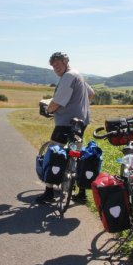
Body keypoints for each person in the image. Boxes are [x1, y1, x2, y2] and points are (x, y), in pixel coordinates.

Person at [36, 52, 95, 204]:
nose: (56, 67)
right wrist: (78, 105)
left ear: (65, 62)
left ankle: (49, 192)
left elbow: (57, 102)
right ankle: (81, 193)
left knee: (54, 152)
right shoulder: (78, 75)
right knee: (77, 153)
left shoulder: (68, 77)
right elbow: (91, 94)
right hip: (82, 121)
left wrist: (48, 110)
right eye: (53, 66)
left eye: (58, 64)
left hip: (65, 123)